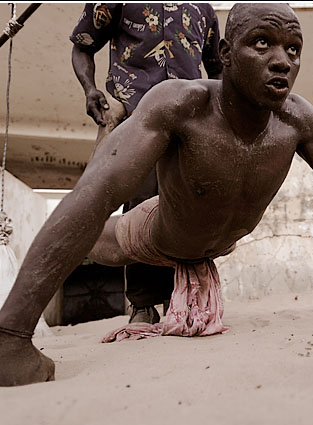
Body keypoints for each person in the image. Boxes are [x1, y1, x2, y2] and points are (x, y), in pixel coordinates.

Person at [0, 3, 313, 387]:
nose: (282, 60)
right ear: (225, 53)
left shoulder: (297, 120)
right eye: (262, 43)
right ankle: (26, 322)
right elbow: (95, 193)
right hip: (157, 229)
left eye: (293, 49)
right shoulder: (182, 103)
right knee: (97, 236)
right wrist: (9, 338)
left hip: (210, 240)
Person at [70, 3, 223, 324]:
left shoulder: (205, 10)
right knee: (139, 205)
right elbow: (82, 46)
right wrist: (90, 90)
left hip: (189, 121)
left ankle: (185, 298)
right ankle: (142, 304)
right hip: (133, 119)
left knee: (190, 209)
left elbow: (218, 70)